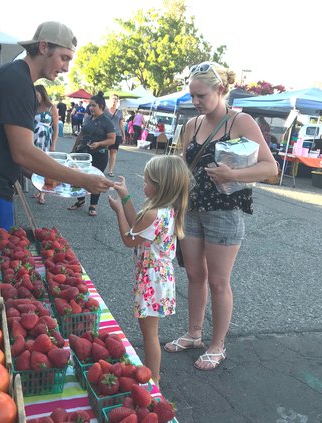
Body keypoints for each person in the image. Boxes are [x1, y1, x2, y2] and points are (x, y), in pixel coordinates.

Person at [164, 62, 278, 370]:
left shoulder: (240, 122)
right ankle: (194, 333)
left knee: (218, 281)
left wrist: (233, 173)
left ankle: (217, 345)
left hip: (224, 212)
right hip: (191, 208)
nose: (196, 102)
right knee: (194, 276)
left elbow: (271, 167)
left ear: (221, 90)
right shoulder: (192, 124)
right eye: (192, 96)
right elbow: (185, 167)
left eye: (201, 95)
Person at [0, 21, 113, 236]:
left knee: (1, 252)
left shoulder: (18, 78)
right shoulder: (17, 82)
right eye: (64, 58)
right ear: (44, 47)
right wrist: (82, 180)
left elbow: (10, 146)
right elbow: (23, 152)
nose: (66, 68)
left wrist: (52, 173)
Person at [108, 155, 191, 385]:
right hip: (160, 278)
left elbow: (129, 238)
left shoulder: (152, 214)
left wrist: (117, 210)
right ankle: (152, 374)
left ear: (159, 186)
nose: (142, 184)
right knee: (149, 332)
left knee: (150, 335)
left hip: (151, 280)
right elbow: (138, 225)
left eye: (146, 181)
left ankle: (153, 378)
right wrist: (125, 196)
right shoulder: (166, 210)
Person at [68, 92, 115, 216]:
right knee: (78, 176)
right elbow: (81, 134)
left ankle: (93, 206)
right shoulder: (88, 118)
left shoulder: (107, 121)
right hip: (82, 153)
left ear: (101, 106)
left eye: (93, 105)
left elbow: (112, 140)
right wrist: (73, 150)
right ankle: (80, 200)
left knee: (96, 179)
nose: (90, 108)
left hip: (99, 155)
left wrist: (99, 143)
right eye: (90, 105)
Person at [33, 84, 59, 205]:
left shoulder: (51, 107)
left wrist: (53, 144)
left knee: (44, 165)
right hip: (34, 137)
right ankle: (39, 189)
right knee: (33, 164)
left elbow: (56, 127)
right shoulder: (33, 106)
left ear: (42, 94)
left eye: (37, 94)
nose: (35, 97)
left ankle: (42, 192)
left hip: (45, 139)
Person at [104, 93, 125, 177]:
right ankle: (101, 168)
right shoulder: (105, 111)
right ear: (110, 100)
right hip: (106, 134)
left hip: (117, 134)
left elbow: (121, 124)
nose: (114, 100)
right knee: (105, 151)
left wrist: (123, 135)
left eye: (116, 99)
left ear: (117, 101)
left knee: (113, 152)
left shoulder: (120, 112)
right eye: (113, 99)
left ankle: (110, 170)